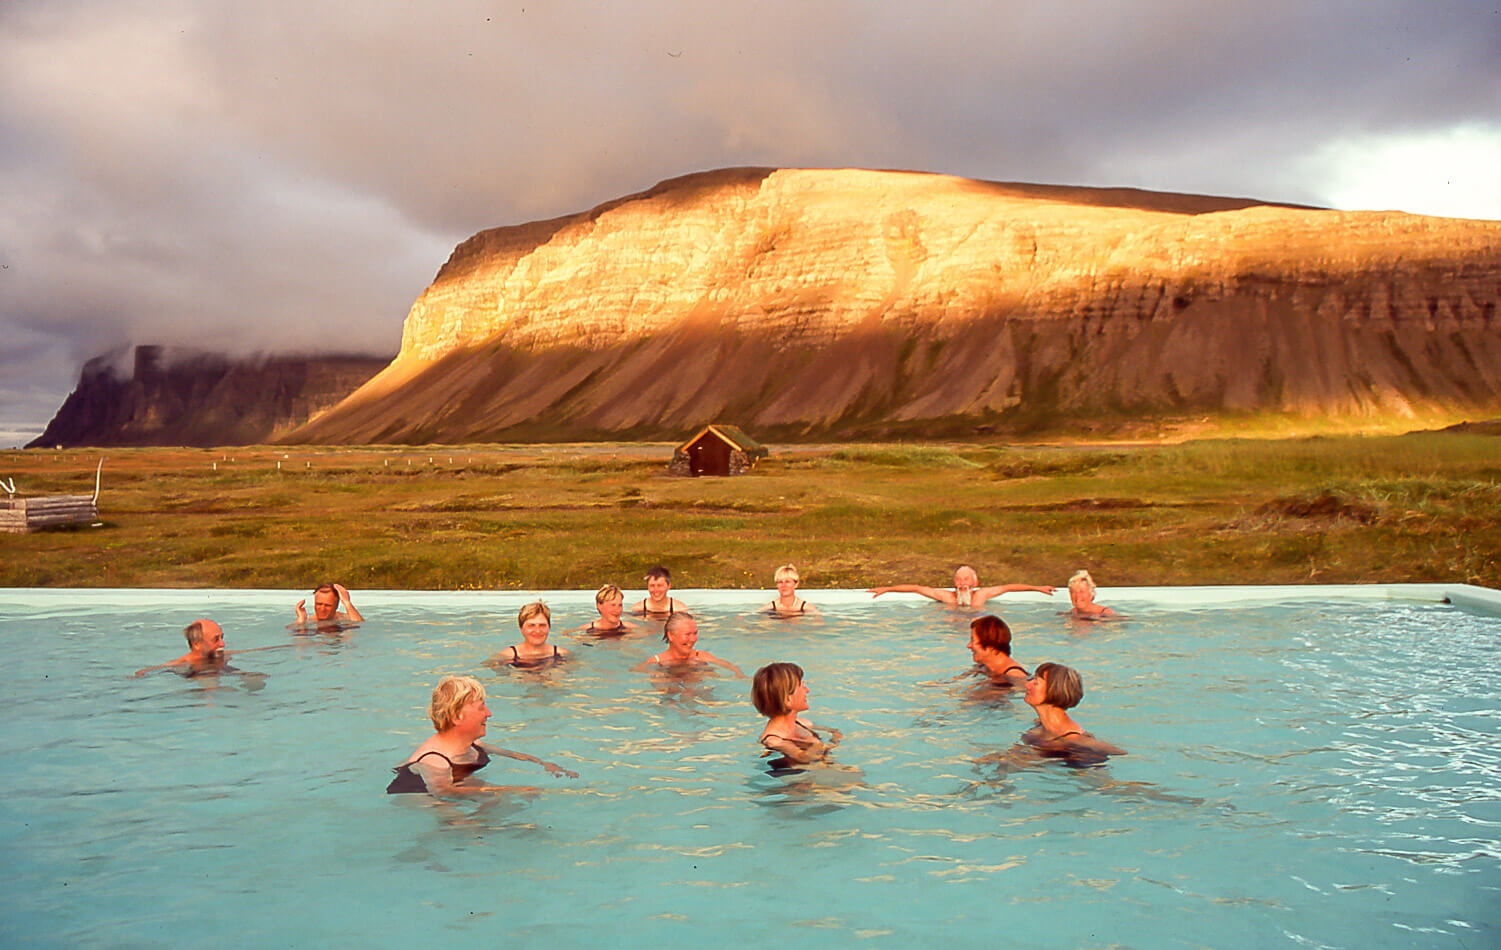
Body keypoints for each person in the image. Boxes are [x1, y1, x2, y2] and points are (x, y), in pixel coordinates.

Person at [386, 675, 576, 795]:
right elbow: (444, 792)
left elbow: (510, 754)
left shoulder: (472, 744)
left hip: (457, 780)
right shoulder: (434, 761)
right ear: (456, 717)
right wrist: (512, 790)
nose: (488, 713)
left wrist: (545, 764)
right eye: (480, 708)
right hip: (420, 799)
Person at [1021, 662, 1124, 759]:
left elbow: (1118, 752)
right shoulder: (1040, 725)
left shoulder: (1074, 739)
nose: (1027, 685)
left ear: (1053, 691)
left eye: (1036, 683)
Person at [753, 662, 841, 766]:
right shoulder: (774, 740)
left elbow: (835, 732)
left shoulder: (802, 723)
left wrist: (832, 742)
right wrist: (816, 745)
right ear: (787, 700)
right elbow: (802, 757)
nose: (807, 690)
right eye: (802, 687)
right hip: (795, 777)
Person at [869, 565, 1054, 608]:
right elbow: (918, 588)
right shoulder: (948, 598)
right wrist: (887, 588)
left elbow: (1009, 587)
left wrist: (1037, 588)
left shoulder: (980, 596)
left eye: (966, 579)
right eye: (958, 580)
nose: (962, 584)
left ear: (975, 582)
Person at [632, 613, 743, 676]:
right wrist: (656, 674)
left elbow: (729, 666)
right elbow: (636, 670)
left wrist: (738, 673)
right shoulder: (657, 661)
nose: (693, 639)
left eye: (695, 633)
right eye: (687, 634)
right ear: (671, 636)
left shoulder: (701, 656)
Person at [132, 618, 239, 677]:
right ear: (197, 644)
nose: (222, 644)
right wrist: (138, 675)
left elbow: (238, 652)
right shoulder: (183, 663)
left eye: (222, 638)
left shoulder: (217, 654)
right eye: (216, 640)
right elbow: (152, 670)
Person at [485, 601, 572, 669]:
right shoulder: (507, 655)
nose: (537, 631)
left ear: (549, 627)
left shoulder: (562, 654)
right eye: (531, 625)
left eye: (542, 625)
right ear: (521, 629)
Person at [968, 614, 1028, 685]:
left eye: (972, 640)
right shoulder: (983, 668)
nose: (968, 646)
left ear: (990, 645)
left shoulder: (1015, 676)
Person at [569, 584, 643, 637]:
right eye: (613, 605)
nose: (617, 610)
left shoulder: (630, 628)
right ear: (599, 606)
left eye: (620, 605)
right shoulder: (586, 630)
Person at [292, 582, 364, 629]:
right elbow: (294, 636)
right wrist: (300, 620)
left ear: (336, 606)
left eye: (328, 605)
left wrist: (347, 603)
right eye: (319, 604)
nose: (322, 609)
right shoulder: (310, 621)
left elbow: (360, 627)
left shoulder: (343, 618)